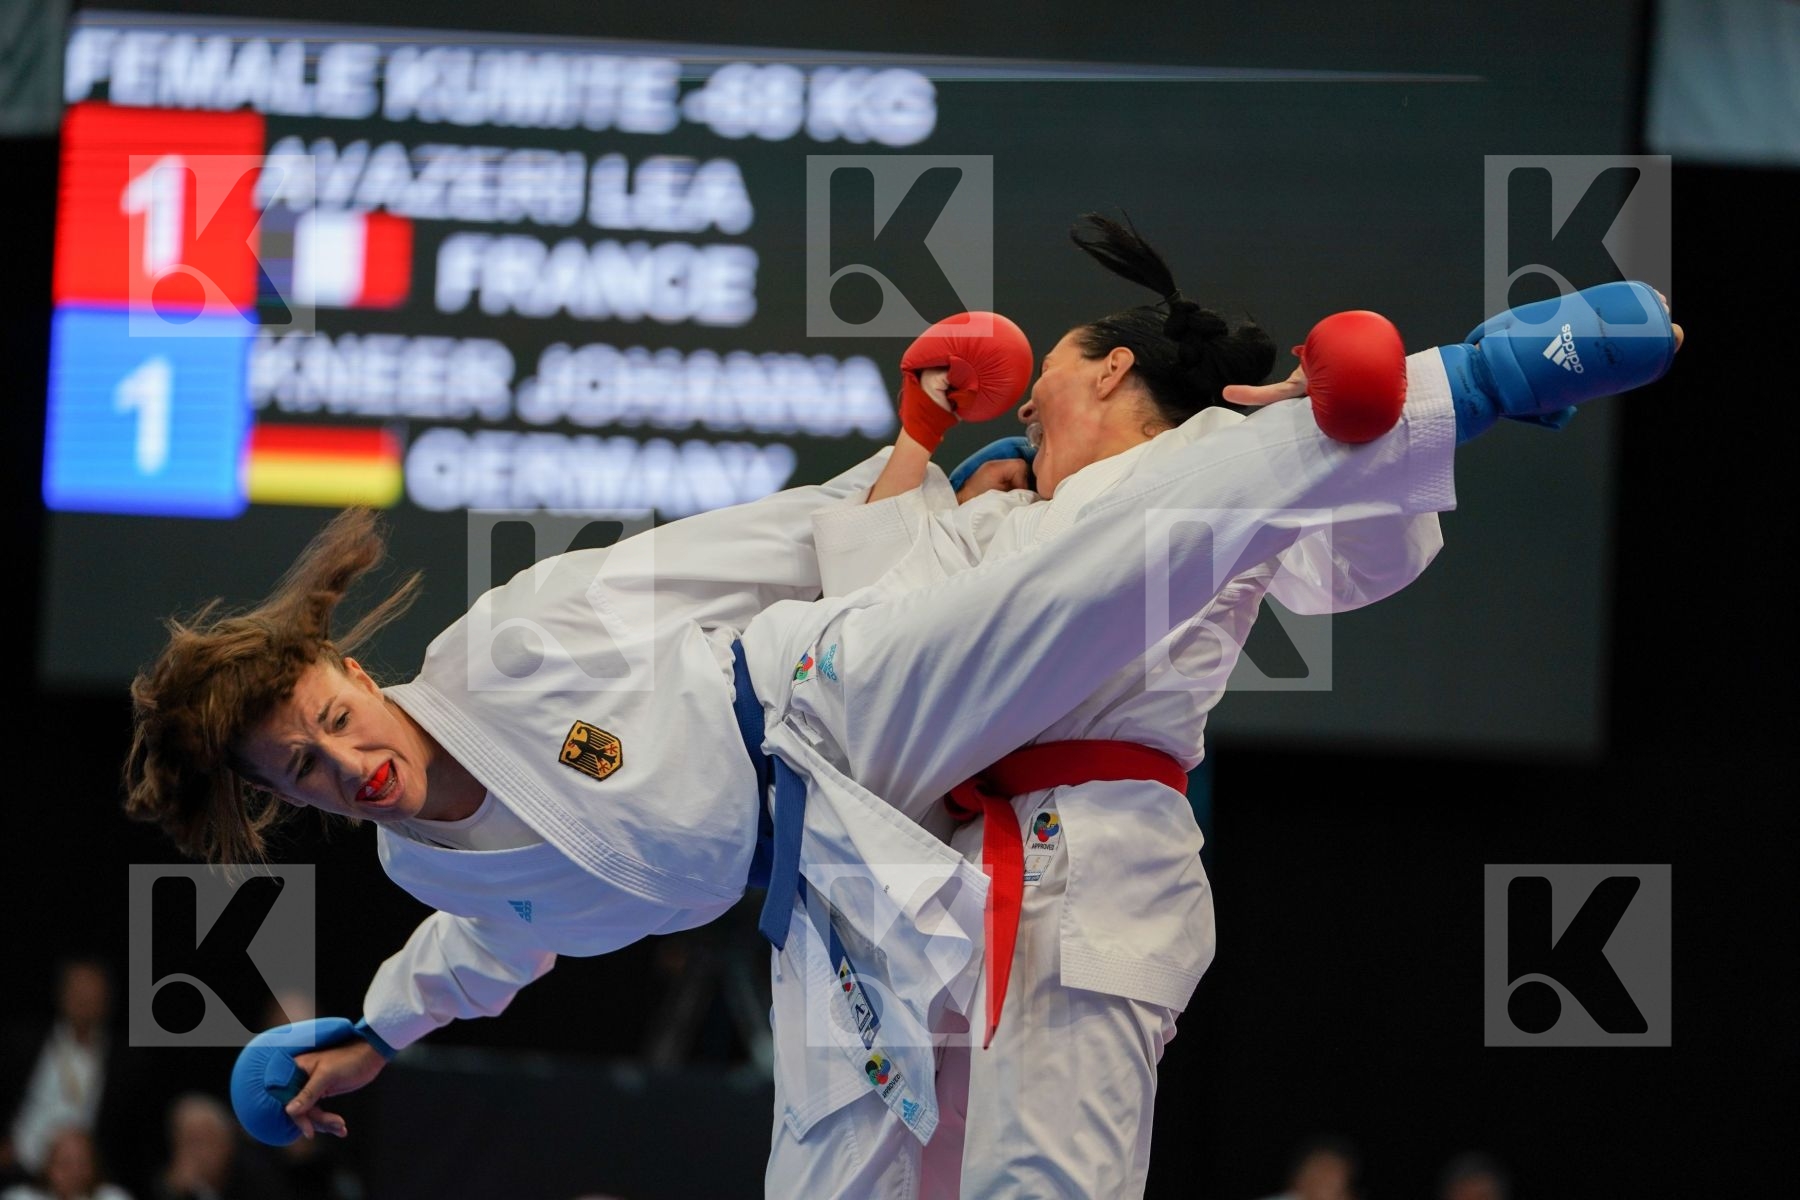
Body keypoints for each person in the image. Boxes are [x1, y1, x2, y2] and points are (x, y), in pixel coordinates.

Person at [124, 237, 1671, 1198]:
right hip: (840, 882)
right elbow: (488, 945)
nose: (346, 764)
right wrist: (380, 1030)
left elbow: (780, 546)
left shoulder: (517, 638)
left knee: (1100, 562)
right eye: (306, 779)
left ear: (356, 670)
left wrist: (916, 451)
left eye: (330, 717)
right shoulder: (431, 880)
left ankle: (1473, 376)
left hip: (812, 696)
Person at [764, 216, 1682, 1198]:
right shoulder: (997, 508)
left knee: (1042, 1182)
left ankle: (1500, 368)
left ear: (1113, 370)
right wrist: (924, 435)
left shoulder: (1215, 470)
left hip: (1088, 856)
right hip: (919, 866)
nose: (1026, 399)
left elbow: (1353, 566)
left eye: (1052, 376)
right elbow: (855, 624)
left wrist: (1351, 422)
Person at [0, 1126, 132, 1200]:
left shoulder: (113, 1197)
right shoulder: (19, 1197)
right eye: (65, 1163)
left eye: (82, 1163)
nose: (74, 1172)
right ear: (47, 1166)